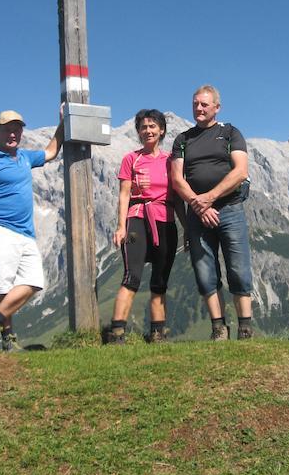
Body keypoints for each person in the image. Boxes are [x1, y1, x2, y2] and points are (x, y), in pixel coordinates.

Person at [0, 108, 64, 351]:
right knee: (2, 286)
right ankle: (8, 342)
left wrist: (62, 123)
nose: (13, 134)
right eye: (7, 129)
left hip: (25, 233)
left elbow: (50, 152)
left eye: (17, 129)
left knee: (34, 282)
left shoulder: (25, 157)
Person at [171, 85, 253, 340]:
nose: (199, 108)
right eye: (195, 103)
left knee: (238, 269)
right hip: (198, 214)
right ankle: (219, 328)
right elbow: (177, 179)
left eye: (204, 104)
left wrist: (209, 198)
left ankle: (245, 328)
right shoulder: (183, 139)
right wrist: (198, 204)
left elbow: (240, 172)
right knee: (205, 271)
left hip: (229, 208)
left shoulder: (230, 133)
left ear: (217, 107)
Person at [107, 109, 185, 344]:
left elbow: (178, 196)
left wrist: (187, 227)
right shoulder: (131, 159)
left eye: (153, 126)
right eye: (143, 127)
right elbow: (123, 195)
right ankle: (117, 333)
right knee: (132, 275)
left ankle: (157, 334)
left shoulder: (171, 161)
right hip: (136, 219)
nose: (148, 131)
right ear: (139, 132)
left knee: (160, 280)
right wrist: (120, 226)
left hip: (166, 220)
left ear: (161, 130)